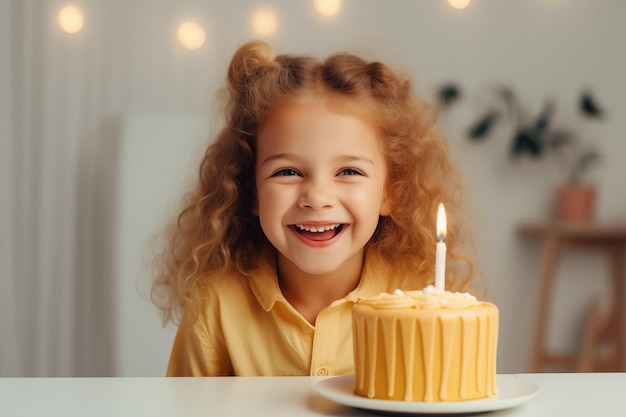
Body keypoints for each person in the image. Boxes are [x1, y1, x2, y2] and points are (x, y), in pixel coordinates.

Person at [151, 40, 475, 376]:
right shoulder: (215, 306)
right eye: (288, 172)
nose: (317, 197)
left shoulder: (421, 299)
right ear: (251, 192)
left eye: (349, 171)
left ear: (389, 192)